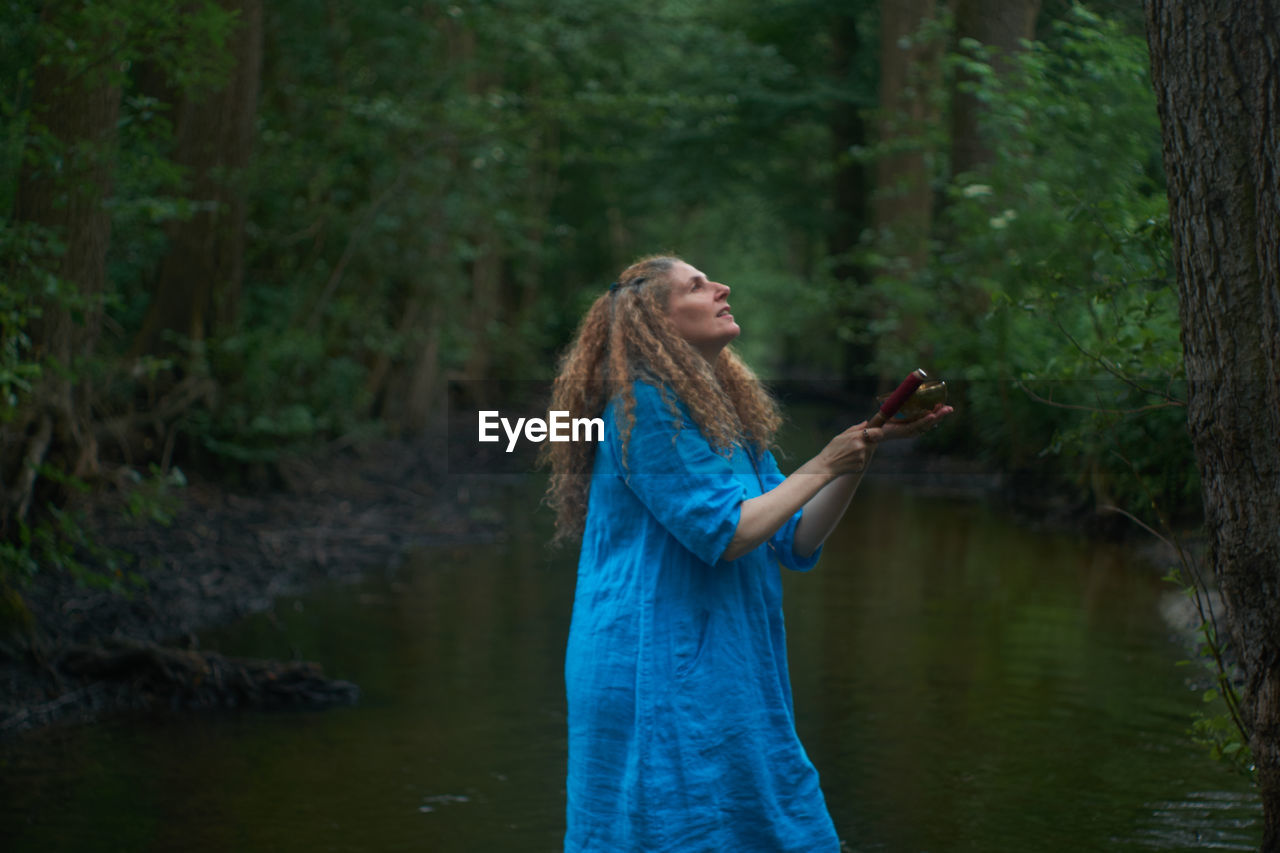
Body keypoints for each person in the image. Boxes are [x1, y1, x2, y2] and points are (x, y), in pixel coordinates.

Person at [542, 256, 952, 852]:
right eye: (697, 286)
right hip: (652, 661)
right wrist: (822, 463)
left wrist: (859, 454)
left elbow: (794, 536)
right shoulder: (644, 408)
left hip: (727, 660)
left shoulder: (723, 411)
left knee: (765, 822)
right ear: (656, 319)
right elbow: (730, 533)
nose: (721, 287)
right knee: (672, 828)